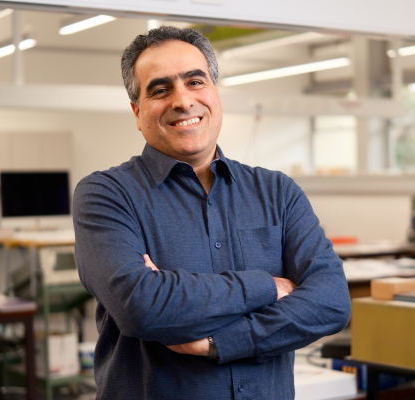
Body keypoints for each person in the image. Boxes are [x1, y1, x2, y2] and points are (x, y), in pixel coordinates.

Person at [73, 26, 351, 400]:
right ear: (137, 112)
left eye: (195, 81)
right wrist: (270, 286)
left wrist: (217, 341)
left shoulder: (277, 192)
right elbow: (141, 307)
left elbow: (331, 302)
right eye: (160, 89)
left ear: (215, 94)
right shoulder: (106, 194)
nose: (183, 101)